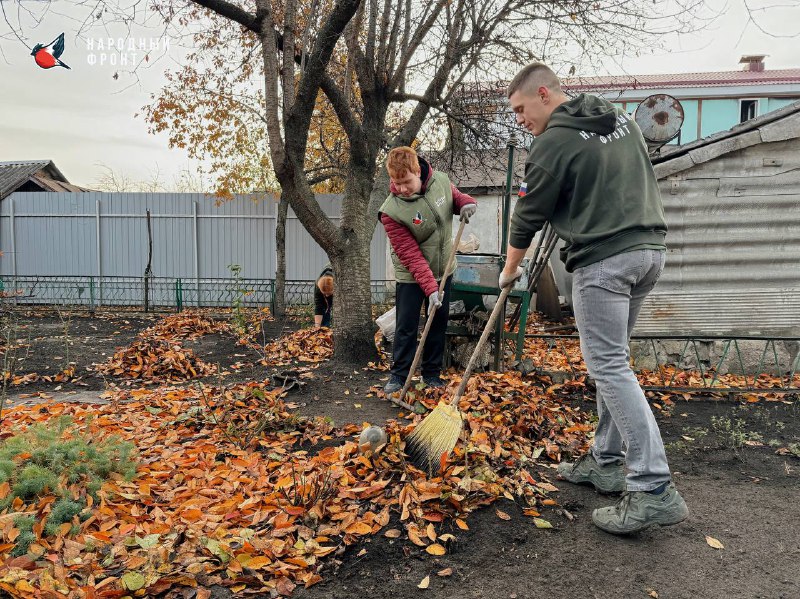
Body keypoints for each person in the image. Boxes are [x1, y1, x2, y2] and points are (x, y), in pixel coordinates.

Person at [499, 63, 688, 535]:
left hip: (604, 259)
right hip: (648, 252)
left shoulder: (551, 143)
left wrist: (508, 271)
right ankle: (605, 461)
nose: (520, 119)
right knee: (615, 362)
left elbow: (526, 217)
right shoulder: (618, 118)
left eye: (521, 109)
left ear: (544, 94)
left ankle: (653, 488)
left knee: (608, 367)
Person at [380, 146, 477, 393]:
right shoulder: (391, 212)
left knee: (438, 322)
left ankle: (431, 375)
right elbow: (410, 256)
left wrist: (465, 203)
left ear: (418, 171)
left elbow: (453, 196)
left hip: (444, 269)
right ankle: (399, 376)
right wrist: (430, 287)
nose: (401, 188)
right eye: (395, 182)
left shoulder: (440, 180)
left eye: (406, 181)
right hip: (412, 275)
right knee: (406, 325)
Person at [313, 264, 334, 328]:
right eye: (324, 293)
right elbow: (318, 306)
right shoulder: (318, 285)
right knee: (324, 309)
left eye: (329, 293)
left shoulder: (340, 281)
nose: (327, 295)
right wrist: (317, 326)